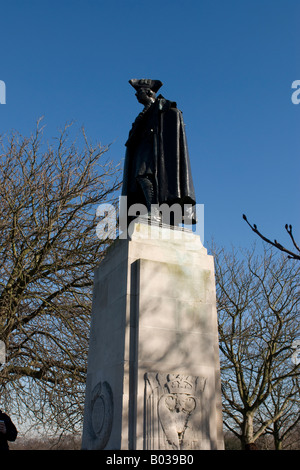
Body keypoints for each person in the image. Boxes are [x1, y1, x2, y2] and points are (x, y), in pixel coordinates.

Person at [121, 78, 197, 227]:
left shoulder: (163, 107)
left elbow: (173, 119)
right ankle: (151, 210)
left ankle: (154, 211)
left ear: (149, 92)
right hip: (142, 149)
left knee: (144, 175)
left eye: (139, 91)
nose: (136, 95)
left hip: (155, 150)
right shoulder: (144, 113)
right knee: (138, 180)